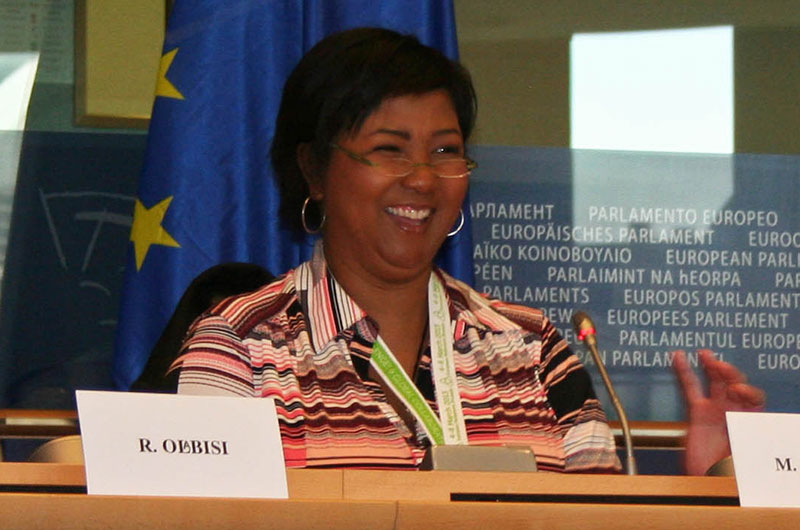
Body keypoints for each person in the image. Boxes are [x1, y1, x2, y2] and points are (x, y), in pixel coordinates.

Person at [173, 27, 764, 474]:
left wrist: (716, 482)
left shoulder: (532, 349)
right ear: (313, 169)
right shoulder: (239, 346)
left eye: (445, 151)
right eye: (389, 149)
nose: (423, 179)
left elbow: (599, 520)